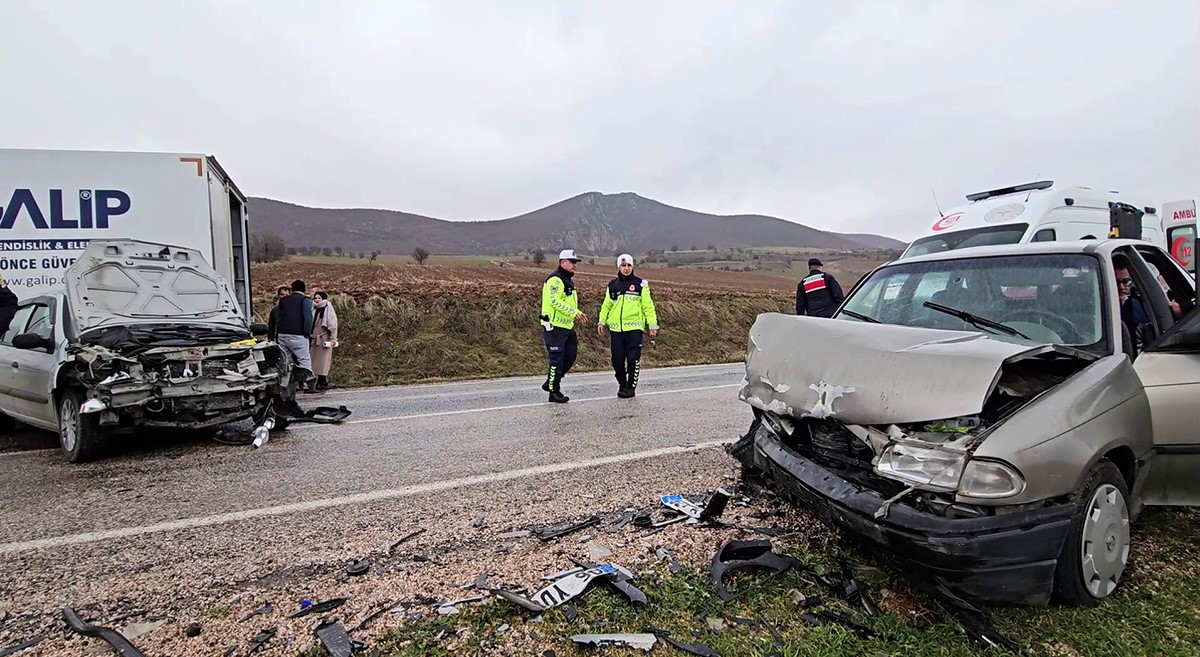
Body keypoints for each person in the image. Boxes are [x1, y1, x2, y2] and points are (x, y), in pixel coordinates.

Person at [598, 254, 658, 398]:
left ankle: (631, 387)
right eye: (623, 266)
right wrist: (601, 321)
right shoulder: (613, 285)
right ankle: (622, 384)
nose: (626, 268)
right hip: (616, 330)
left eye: (629, 266)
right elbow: (606, 305)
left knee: (633, 360)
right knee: (617, 361)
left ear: (632, 267)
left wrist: (653, 325)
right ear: (619, 267)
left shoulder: (641, 284)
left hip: (634, 330)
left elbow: (648, 307)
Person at [540, 249, 587, 403]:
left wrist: (577, 313)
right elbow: (554, 301)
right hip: (554, 326)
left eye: (575, 262)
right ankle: (554, 391)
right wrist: (573, 312)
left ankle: (551, 382)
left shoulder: (568, 280)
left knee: (570, 356)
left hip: (567, 326)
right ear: (562, 262)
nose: (575, 265)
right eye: (572, 262)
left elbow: (568, 302)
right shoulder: (555, 279)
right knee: (557, 359)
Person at [275, 280, 315, 388]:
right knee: (304, 360)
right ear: (304, 289)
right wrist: (307, 333)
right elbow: (308, 318)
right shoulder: (305, 300)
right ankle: (308, 385)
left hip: (282, 335)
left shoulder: (283, 301)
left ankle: (285, 385)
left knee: (285, 362)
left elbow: (279, 318)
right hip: (298, 335)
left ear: (292, 289)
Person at [308, 290, 339, 392]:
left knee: (323, 361)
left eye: (319, 298)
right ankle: (318, 380)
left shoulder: (327, 308)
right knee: (314, 361)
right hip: (314, 338)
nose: (317, 300)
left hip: (324, 339)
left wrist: (333, 339)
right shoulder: (313, 309)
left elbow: (332, 325)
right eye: (315, 298)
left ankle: (322, 380)